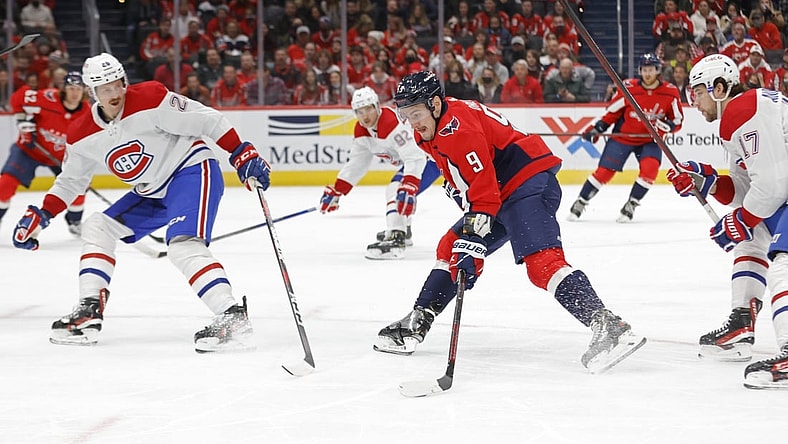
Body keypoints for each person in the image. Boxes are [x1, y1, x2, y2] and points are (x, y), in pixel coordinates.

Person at [373, 71, 646, 374]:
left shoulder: (457, 129)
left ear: (435, 104)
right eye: (406, 115)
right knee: (449, 246)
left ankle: (607, 324)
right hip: (503, 194)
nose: (413, 122)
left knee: (542, 265)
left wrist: (473, 241)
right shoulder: (436, 126)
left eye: (417, 113)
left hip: (524, 186)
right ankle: (419, 319)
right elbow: (474, 182)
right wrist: (466, 229)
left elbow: (484, 189)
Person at [11, 53, 271, 353]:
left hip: (191, 170)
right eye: (104, 88)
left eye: (116, 84)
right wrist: (43, 215)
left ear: (124, 81)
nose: (113, 93)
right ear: (92, 92)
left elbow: (208, 119)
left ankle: (231, 315)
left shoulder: (151, 97)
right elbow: (71, 181)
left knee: (182, 245)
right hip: (152, 191)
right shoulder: (81, 133)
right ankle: (89, 311)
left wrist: (240, 151)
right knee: (98, 226)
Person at [665, 53, 788, 389]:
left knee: (783, 263)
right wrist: (706, 181)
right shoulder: (738, 116)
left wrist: (741, 219)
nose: (695, 102)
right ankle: (741, 324)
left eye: (698, 93)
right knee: (753, 237)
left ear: (720, 87)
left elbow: (775, 185)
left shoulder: (744, 108)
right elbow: (748, 189)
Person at [319, 87, 441, 260]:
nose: (365, 116)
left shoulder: (392, 124)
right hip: (415, 160)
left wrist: (410, 184)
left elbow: (414, 155)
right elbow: (357, 164)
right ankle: (403, 230)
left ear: (377, 106)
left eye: (368, 109)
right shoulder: (362, 131)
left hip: (429, 158)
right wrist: (338, 190)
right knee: (398, 189)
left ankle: (396, 237)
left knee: (396, 189)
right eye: (360, 112)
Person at [567, 53, 683, 222]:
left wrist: (669, 126)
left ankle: (632, 203)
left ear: (658, 70)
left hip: (650, 141)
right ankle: (581, 201)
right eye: (644, 70)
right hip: (623, 138)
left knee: (649, 172)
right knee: (604, 173)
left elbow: (677, 120)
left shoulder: (670, 92)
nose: (648, 73)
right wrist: (598, 128)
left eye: (651, 69)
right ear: (640, 71)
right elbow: (612, 113)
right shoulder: (629, 88)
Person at [0, 72, 90, 235]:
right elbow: (18, 98)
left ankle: (75, 221)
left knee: (79, 189)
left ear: (84, 90)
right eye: (71, 88)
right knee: (5, 185)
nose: (75, 93)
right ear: (63, 89)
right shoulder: (48, 98)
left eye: (78, 88)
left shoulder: (88, 113)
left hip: (62, 158)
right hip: (30, 150)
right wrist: (22, 122)